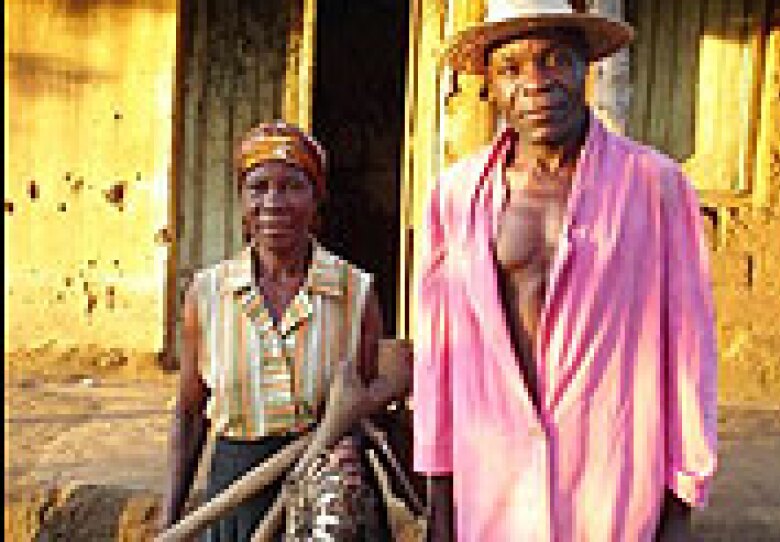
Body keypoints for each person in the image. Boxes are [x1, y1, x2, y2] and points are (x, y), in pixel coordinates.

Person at [412, 1, 718, 541]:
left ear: (585, 70)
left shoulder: (655, 186)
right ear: (490, 86)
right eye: (511, 69)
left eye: (554, 60)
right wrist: (440, 503)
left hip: (610, 479)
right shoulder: (456, 196)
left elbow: (689, 348)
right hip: (494, 481)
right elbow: (441, 356)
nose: (536, 83)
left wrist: (680, 503)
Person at [159, 121, 410, 541]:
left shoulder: (355, 291)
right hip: (237, 496)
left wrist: (349, 448)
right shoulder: (206, 294)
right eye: (258, 188)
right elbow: (189, 414)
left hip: (331, 499)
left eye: (293, 186)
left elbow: (365, 407)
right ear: (242, 201)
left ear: (317, 199)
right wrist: (172, 522)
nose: (274, 202)